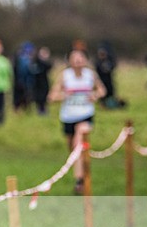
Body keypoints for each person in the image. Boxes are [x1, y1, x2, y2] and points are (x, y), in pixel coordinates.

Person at [48, 50, 106, 194]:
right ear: (70, 62)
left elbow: (102, 90)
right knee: (73, 150)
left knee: (78, 142)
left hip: (86, 114)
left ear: (85, 60)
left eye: (81, 58)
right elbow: (52, 97)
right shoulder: (64, 76)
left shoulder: (90, 75)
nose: (78, 61)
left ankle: (79, 181)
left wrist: (95, 95)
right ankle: (82, 171)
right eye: (75, 59)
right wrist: (64, 95)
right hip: (68, 117)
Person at [30, 46, 52, 115]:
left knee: (44, 96)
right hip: (36, 83)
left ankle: (44, 109)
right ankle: (40, 110)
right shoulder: (35, 61)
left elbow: (49, 67)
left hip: (44, 82)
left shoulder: (45, 63)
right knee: (38, 97)